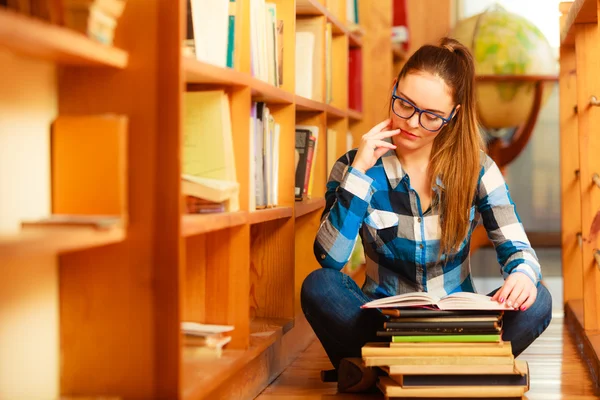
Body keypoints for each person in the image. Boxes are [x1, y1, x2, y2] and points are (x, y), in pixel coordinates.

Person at [300, 37, 553, 392]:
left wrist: (523, 274)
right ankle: (450, 373)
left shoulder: (478, 169)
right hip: (383, 326)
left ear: (453, 116)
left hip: (460, 329)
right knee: (319, 286)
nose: (412, 123)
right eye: (404, 104)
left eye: (431, 116)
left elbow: (519, 249)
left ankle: (380, 373)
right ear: (394, 89)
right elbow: (330, 259)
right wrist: (358, 174)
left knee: (538, 299)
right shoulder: (354, 166)